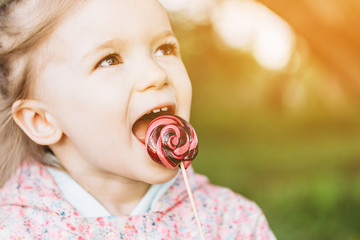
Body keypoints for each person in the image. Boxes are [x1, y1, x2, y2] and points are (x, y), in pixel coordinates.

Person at [0, 0, 276, 239]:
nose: (156, 74)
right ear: (41, 120)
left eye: (164, 49)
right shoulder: (14, 230)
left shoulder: (232, 222)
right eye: (109, 60)